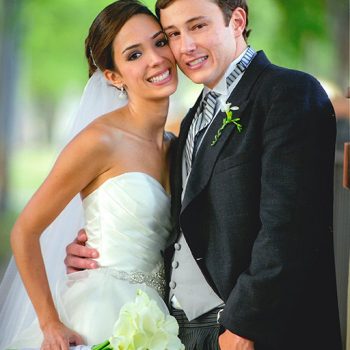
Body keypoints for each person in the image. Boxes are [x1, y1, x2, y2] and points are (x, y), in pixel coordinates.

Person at [65, 0, 342, 349]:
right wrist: (103, 253)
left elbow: (289, 225)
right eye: (173, 34)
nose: (186, 47)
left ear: (237, 21)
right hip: (176, 330)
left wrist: (245, 327)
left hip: (247, 331)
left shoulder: (288, 92)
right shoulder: (193, 117)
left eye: (198, 26)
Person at [0, 0, 182, 348]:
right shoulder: (100, 140)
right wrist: (50, 323)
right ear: (113, 76)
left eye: (160, 42)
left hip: (158, 320)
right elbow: (25, 231)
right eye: (133, 55)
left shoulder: (177, 146)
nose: (156, 59)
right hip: (99, 314)